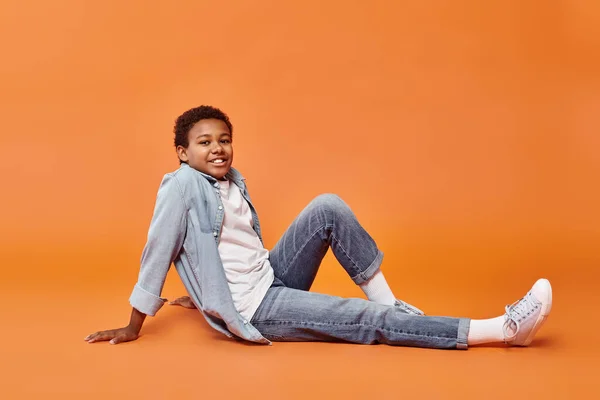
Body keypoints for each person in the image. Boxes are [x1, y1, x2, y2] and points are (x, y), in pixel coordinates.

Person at [85, 105, 552, 349]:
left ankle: (395, 304)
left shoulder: (229, 182)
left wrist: (204, 292)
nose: (218, 148)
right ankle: (502, 330)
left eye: (225, 139)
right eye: (204, 142)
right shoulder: (182, 185)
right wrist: (133, 324)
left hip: (268, 275)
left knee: (327, 206)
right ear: (183, 153)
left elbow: (226, 248)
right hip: (258, 307)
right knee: (366, 322)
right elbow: (159, 250)